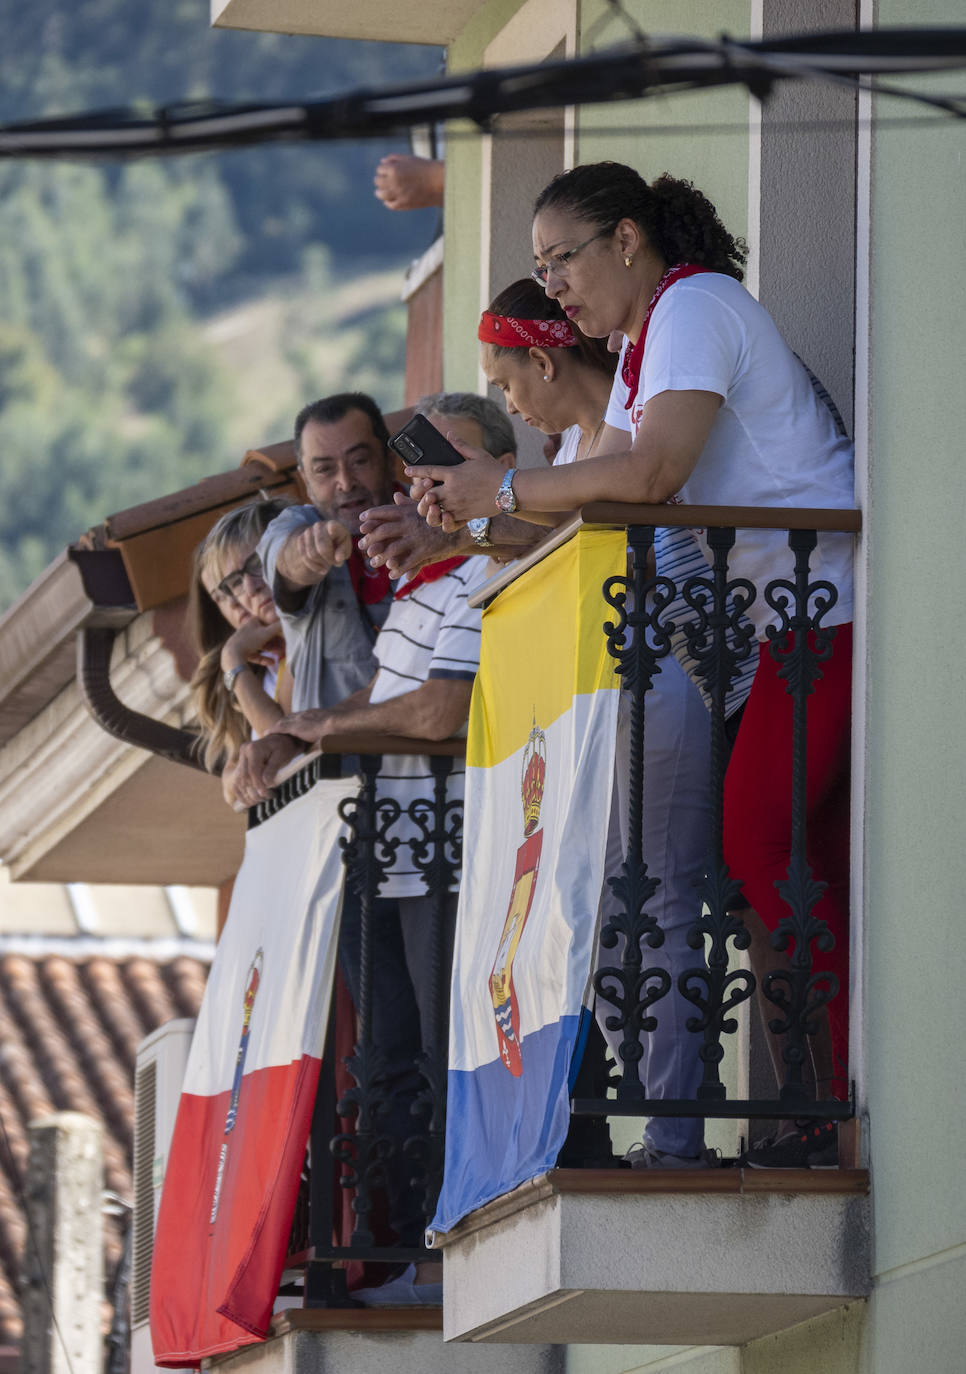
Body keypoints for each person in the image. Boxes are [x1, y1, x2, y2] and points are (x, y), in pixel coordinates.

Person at [410, 163, 855, 1165]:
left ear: (626, 239)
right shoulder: (656, 335)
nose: (554, 285)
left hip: (815, 611)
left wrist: (504, 486)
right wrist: (484, 515)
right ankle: (811, 1110)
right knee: (783, 865)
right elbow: (608, 513)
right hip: (779, 624)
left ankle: (813, 1113)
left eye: (562, 258)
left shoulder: (693, 307)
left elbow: (651, 478)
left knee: (750, 852)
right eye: (541, 268)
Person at [476, 278, 718, 1168]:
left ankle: (674, 1137)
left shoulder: (616, 441)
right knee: (612, 908)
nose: (510, 402)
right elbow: (568, 554)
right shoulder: (583, 446)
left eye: (508, 384)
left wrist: (499, 494)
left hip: (674, 670)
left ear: (543, 360)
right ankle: (668, 1125)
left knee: (652, 903)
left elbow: (628, 527)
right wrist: (478, 533)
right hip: (614, 689)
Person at [230, 392, 399, 805]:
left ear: (389, 459)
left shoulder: (435, 521)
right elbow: (286, 561)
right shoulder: (296, 525)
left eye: (359, 461)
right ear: (305, 479)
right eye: (325, 470)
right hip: (333, 801)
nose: (345, 482)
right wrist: (309, 552)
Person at [187, 499, 293, 805]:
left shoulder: (304, 640)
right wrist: (233, 777)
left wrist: (232, 660)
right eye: (227, 590)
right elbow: (234, 773)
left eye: (257, 565)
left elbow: (281, 739)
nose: (246, 591)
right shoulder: (265, 662)